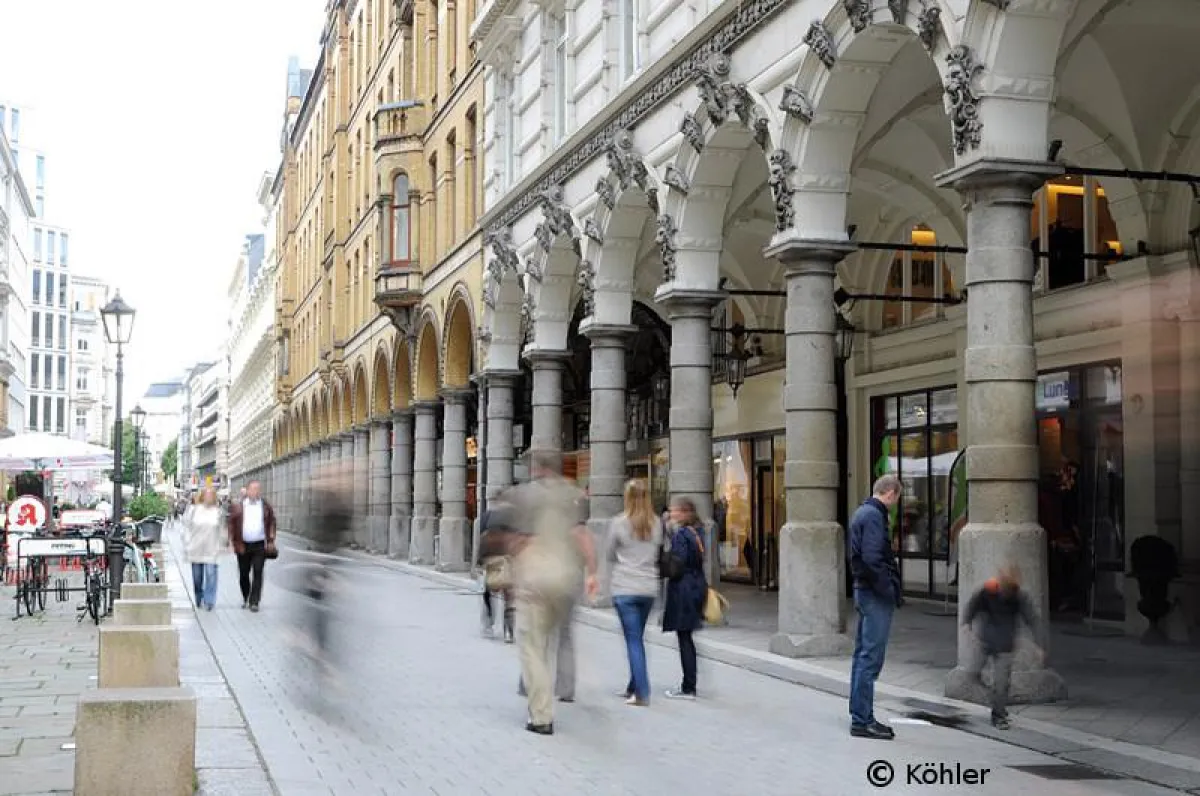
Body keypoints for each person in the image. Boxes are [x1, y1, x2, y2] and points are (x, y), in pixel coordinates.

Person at [505, 450, 597, 736]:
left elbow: (519, 540)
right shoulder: (574, 494)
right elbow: (581, 535)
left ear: (536, 468)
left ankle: (541, 716)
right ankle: (566, 688)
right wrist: (593, 572)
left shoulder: (525, 495)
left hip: (536, 579)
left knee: (533, 647)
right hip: (566, 579)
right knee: (564, 637)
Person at [847, 474, 903, 740]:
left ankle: (860, 714)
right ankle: (862, 719)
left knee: (862, 655)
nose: (894, 504)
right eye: (896, 499)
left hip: (864, 590)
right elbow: (873, 558)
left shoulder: (862, 512)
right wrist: (888, 590)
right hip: (873, 594)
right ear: (891, 493)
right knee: (870, 657)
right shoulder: (873, 515)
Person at [963, 564, 1043, 730]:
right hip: (987, 640)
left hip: (1005, 644)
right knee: (973, 674)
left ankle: (998, 714)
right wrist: (967, 622)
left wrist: (1038, 644)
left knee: (1001, 682)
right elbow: (974, 604)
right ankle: (996, 701)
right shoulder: (989, 590)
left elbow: (1032, 619)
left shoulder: (1019, 596)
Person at [606, 479, 663, 707]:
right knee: (637, 638)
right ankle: (633, 685)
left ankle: (642, 692)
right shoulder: (657, 523)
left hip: (625, 587)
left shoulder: (619, 522)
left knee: (633, 641)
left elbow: (610, 553)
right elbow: (660, 551)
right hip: (648, 587)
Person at [661, 495, 707, 700]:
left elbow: (676, 565)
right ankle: (690, 683)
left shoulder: (681, 535)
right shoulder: (698, 531)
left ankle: (688, 686)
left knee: (684, 638)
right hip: (697, 584)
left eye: (675, 510)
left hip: (683, 589)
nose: (671, 513)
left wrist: (665, 560)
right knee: (687, 636)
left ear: (684, 512)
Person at [226, 480, 277, 612]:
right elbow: (231, 524)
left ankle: (255, 601)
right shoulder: (238, 506)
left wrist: (270, 540)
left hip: (259, 545)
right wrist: (232, 542)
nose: (256, 492)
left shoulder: (265, 506)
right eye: (253, 489)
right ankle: (246, 596)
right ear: (247, 491)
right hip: (243, 545)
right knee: (244, 573)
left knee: (258, 572)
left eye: (258, 489)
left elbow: (272, 522)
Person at [478, 496, 517, 643]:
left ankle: (488, 622)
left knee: (488, 591)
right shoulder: (514, 518)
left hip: (491, 559)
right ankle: (509, 630)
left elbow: (482, 537)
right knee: (509, 595)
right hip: (508, 559)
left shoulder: (487, 516)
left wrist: (479, 561)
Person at [185, 487, 225, 611]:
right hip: (196, 549)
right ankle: (198, 597)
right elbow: (186, 527)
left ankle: (209, 601)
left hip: (212, 549)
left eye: (211, 495)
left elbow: (222, 530)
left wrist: (223, 544)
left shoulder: (218, 512)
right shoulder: (194, 510)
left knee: (211, 575)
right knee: (197, 578)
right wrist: (187, 543)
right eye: (206, 495)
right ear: (202, 496)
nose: (208, 497)